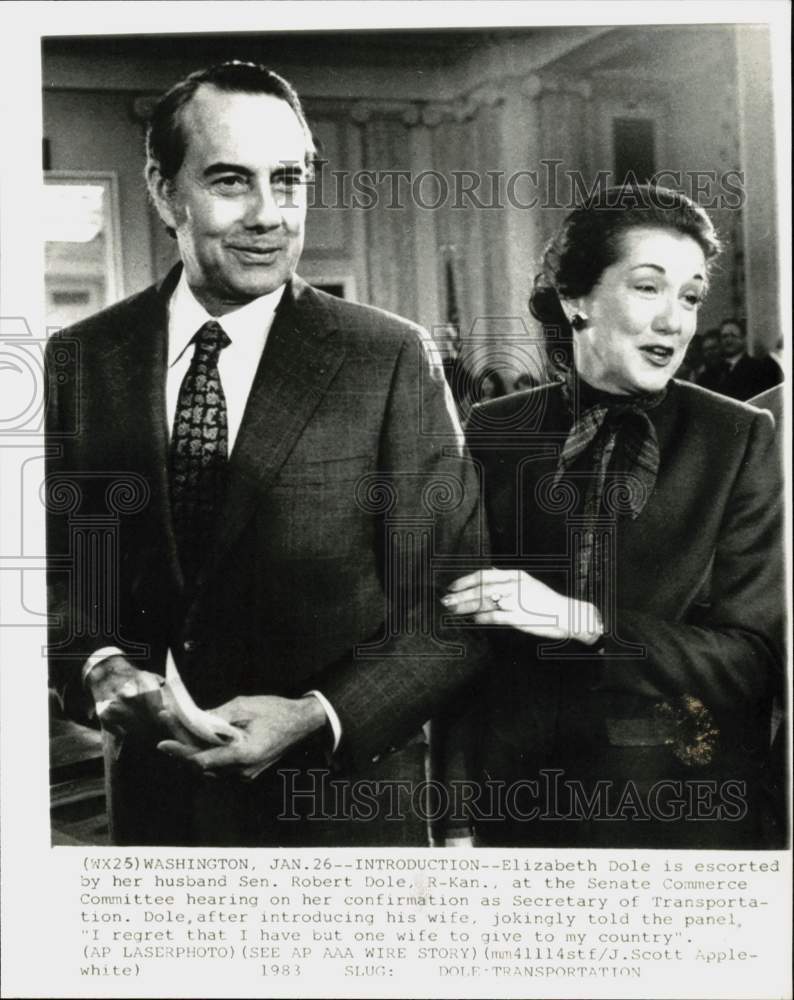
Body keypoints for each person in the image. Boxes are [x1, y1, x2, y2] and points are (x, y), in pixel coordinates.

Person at [45, 62, 486, 847]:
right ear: (162, 189)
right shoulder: (84, 359)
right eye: (229, 181)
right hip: (158, 819)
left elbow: (453, 610)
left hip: (340, 822)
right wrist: (100, 662)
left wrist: (320, 715)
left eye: (288, 180)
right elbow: (57, 571)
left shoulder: (386, 358)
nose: (268, 215)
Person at [442, 185, 784, 848]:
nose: (676, 321)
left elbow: (755, 661)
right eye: (649, 287)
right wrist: (458, 820)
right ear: (576, 300)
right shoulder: (493, 431)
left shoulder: (738, 438)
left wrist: (586, 621)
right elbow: (460, 649)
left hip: (689, 820)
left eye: (690, 296)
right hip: (524, 819)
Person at [717, 317, 783, 401]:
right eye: (724, 336)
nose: (728, 340)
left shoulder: (756, 367)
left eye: (733, 335)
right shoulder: (716, 370)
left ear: (743, 338)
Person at [694, 326, 728, 391]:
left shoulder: (736, 371)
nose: (709, 353)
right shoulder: (703, 378)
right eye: (706, 350)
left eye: (713, 348)